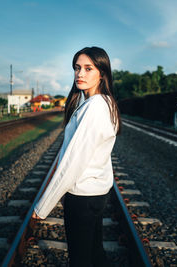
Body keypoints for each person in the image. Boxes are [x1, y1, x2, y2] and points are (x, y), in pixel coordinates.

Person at [31, 46, 121, 266]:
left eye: (88, 68)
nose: (80, 74)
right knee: (94, 253)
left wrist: (42, 207)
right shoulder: (103, 103)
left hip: (82, 197)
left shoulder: (95, 108)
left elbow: (73, 162)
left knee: (80, 259)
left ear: (102, 73)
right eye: (77, 68)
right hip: (96, 194)